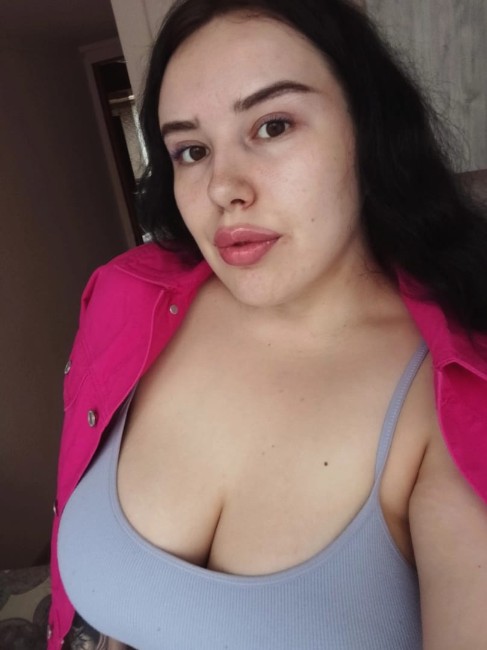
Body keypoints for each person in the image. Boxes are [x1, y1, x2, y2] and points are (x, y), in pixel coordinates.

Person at [48, 0, 487, 648]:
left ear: (367, 128)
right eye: (191, 150)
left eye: (272, 125)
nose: (223, 187)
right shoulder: (126, 299)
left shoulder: (457, 399)